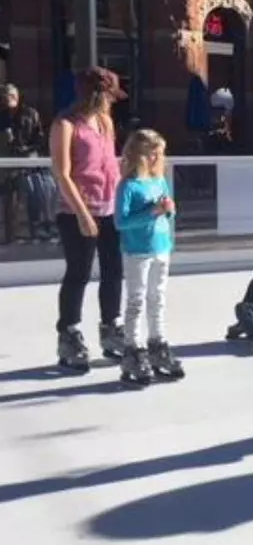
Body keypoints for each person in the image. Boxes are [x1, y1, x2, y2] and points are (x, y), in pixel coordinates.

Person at [49, 67, 127, 372]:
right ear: (97, 94)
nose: (113, 102)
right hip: (76, 210)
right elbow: (62, 173)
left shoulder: (106, 123)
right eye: (110, 95)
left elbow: (111, 166)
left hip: (110, 208)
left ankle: (111, 327)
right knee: (78, 273)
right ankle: (68, 333)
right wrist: (82, 213)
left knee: (113, 270)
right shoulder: (65, 125)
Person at [114, 128, 184, 385]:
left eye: (158, 154)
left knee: (158, 298)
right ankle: (133, 348)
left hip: (161, 247)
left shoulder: (159, 181)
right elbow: (121, 221)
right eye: (150, 154)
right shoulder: (128, 186)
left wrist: (169, 211)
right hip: (138, 251)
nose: (155, 159)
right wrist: (152, 212)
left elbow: (167, 214)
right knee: (136, 300)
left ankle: (158, 343)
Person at [3, 83, 57, 243]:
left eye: (10, 95)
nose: (7, 99)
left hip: (29, 159)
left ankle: (41, 226)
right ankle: (11, 234)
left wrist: (29, 150)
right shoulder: (2, 117)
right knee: (14, 194)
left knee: (41, 187)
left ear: (17, 97)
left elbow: (39, 138)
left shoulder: (30, 114)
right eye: (4, 96)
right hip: (8, 162)